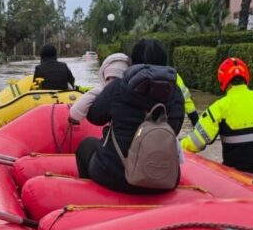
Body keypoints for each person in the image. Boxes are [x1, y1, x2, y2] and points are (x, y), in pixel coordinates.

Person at [75, 38, 184, 193]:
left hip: (115, 175)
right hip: (163, 178)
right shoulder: (176, 92)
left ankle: (89, 197)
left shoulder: (118, 87)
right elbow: (176, 128)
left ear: (133, 62)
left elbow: (94, 117)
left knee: (86, 146)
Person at [181, 56, 253, 175]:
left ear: (222, 82)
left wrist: (175, 147)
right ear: (247, 78)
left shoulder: (218, 108)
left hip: (236, 179)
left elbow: (195, 142)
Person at [130, 38, 199, 126]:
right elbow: (185, 96)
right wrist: (194, 117)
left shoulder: (134, 75)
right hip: (170, 123)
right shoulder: (173, 75)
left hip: (141, 124)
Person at [68, 52, 130, 124]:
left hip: (115, 128)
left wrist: (74, 116)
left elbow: (76, 112)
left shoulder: (100, 90)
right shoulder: (134, 90)